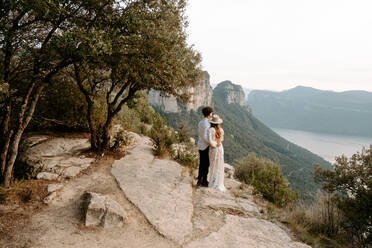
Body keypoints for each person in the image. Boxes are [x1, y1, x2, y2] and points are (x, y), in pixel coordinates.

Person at [207, 114, 226, 192]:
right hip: (220, 148)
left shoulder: (210, 130)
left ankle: (213, 180)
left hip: (214, 149)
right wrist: (218, 144)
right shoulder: (221, 130)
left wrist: (214, 145)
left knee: (213, 164)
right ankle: (218, 181)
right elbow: (221, 140)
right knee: (219, 164)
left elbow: (210, 141)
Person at [197, 106, 214, 187]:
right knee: (206, 164)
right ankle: (203, 181)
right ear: (209, 113)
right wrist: (210, 143)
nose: (212, 114)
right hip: (205, 146)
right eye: (211, 113)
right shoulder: (206, 123)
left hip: (200, 144)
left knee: (202, 163)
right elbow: (205, 136)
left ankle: (199, 178)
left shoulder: (201, 122)